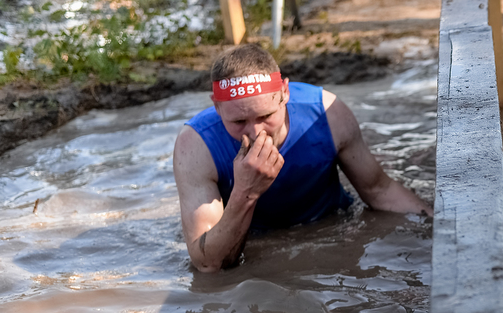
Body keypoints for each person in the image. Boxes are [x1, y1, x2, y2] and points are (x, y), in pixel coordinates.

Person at [173, 44, 431, 272]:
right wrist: (245, 192)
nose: (255, 132)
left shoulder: (326, 113)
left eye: (266, 117)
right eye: (239, 121)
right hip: (258, 243)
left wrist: (438, 223)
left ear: (285, 92)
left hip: (333, 225)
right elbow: (208, 264)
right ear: (216, 106)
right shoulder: (195, 145)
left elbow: (379, 190)